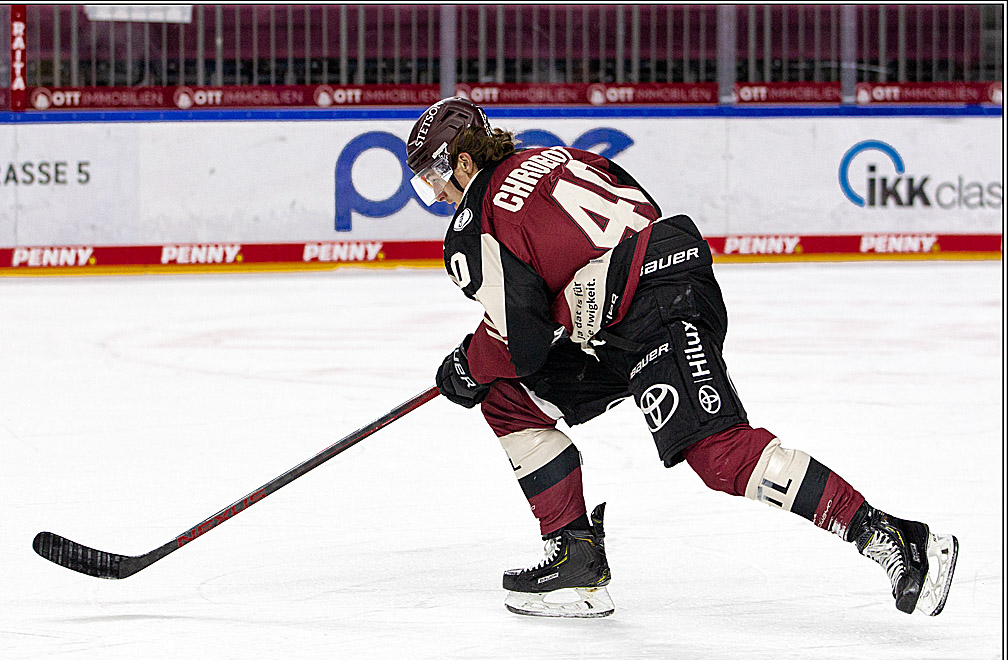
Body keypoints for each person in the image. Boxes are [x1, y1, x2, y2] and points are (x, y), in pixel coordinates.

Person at [405, 97, 959, 619]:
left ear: (462, 160)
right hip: (643, 302)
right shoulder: (557, 157)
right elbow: (640, 211)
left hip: (652, 310)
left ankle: (899, 539)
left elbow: (517, 343)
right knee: (509, 399)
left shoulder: (474, 224)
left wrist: (465, 366)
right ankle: (575, 561)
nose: (436, 195)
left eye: (433, 178)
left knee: (719, 455)